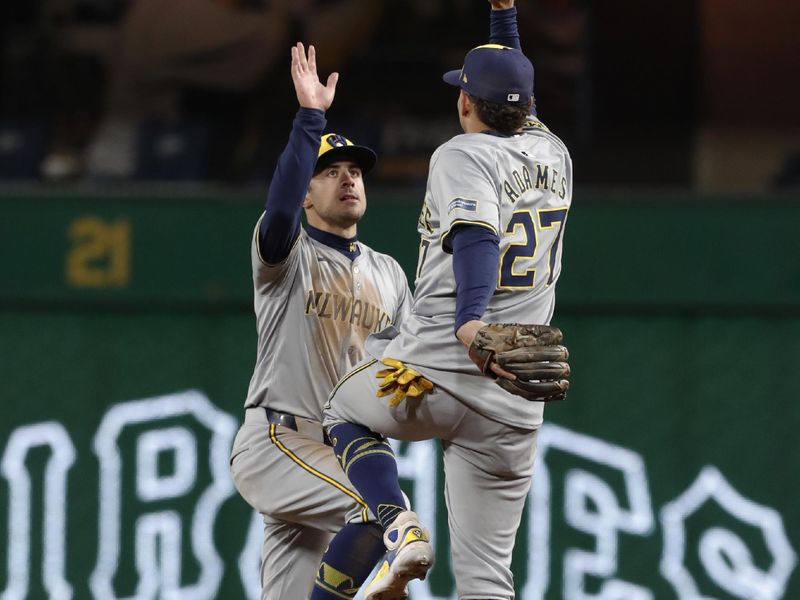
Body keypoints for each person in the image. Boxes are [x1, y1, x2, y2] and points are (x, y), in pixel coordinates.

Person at [321, 1, 573, 598]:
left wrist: (470, 323)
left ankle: (398, 528)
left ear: (464, 102)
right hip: (511, 398)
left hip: (433, 371)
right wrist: (504, 14)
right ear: (529, 107)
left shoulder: (460, 154)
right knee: (488, 578)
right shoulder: (554, 151)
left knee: (342, 410)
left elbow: (477, 240)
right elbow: (516, 84)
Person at [229, 42, 412, 600]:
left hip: (339, 453)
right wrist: (310, 119)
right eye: (330, 172)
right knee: (384, 510)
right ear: (307, 191)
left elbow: (411, 370)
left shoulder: (390, 274)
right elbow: (279, 210)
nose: (348, 180)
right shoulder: (285, 259)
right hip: (280, 438)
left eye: (355, 171)